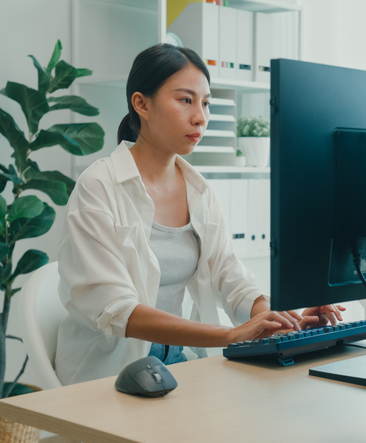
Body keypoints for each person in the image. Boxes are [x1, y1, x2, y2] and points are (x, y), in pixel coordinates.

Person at [55, 44, 344, 385]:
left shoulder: (199, 190)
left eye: (206, 103)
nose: (200, 117)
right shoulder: (99, 186)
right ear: (141, 104)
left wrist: (281, 320)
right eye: (185, 100)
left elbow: (229, 276)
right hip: (109, 372)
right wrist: (229, 335)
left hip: (174, 360)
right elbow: (116, 308)